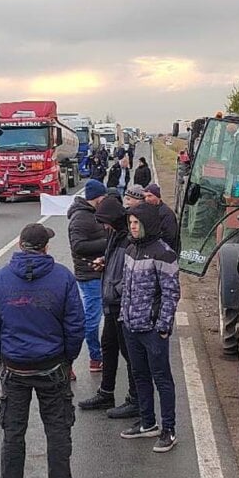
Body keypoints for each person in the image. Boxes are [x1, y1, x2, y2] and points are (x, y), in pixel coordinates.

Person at [0, 223, 85, 478]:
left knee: (13, 433)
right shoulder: (62, 277)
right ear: (45, 247)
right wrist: (68, 358)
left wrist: (0, 357)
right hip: (52, 364)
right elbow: (75, 324)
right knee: (58, 428)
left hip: (14, 366)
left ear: (19, 245)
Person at [118, 202, 181, 453]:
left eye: (137, 223)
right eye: (130, 223)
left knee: (162, 379)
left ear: (147, 224)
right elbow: (126, 286)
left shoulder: (163, 253)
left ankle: (169, 429)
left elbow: (171, 293)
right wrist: (124, 316)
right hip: (131, 326)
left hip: (153, 330)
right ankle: (147, 423)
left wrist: (163, 327)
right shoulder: (131, 250)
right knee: (139, 375)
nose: (133, 227)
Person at [78, 196, 140, 419]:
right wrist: (104, 263)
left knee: (130, 353)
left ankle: (136, 400)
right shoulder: (115, 234)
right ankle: (106, 392)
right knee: (108, 345)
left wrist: (116, 289)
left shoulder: (129, 240)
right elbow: (115, 261)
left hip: (121, 303)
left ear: (112, 219)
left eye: (104, 221)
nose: (103, 226)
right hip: (112, 302)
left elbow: (132, 273)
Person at [67, 179, 108, 373]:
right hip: (89, 274)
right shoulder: (81, 218)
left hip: (95, 272)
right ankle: (88, 358)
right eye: (104, 197)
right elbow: (78, 246)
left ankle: (93, 357)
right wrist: (107, 243)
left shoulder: (91, 214)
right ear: (98, 198)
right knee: (90, 322)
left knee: (93, 318)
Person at [144, 184, 180, 253]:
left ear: (158, 197)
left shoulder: (166, 214)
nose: (147, 199)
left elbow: (169, 236)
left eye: (150, 196)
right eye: (145, 197)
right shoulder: (149, 211)